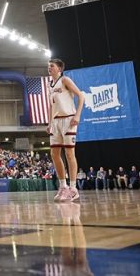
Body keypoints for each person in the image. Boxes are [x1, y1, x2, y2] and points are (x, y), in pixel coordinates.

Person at [46, 58, 85, 202]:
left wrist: (78, 115)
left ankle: (73, 189)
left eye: (51, 66)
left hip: (69, 119)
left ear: (59, 69)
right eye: (48, 66)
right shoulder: (50, 84)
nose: (49, 68)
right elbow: (51, 106)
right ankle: (63, 186)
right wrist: (50, 122)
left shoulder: (65, 80)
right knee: (54, 154)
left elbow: (81, 96)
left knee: (69, 154)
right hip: (56, 122)